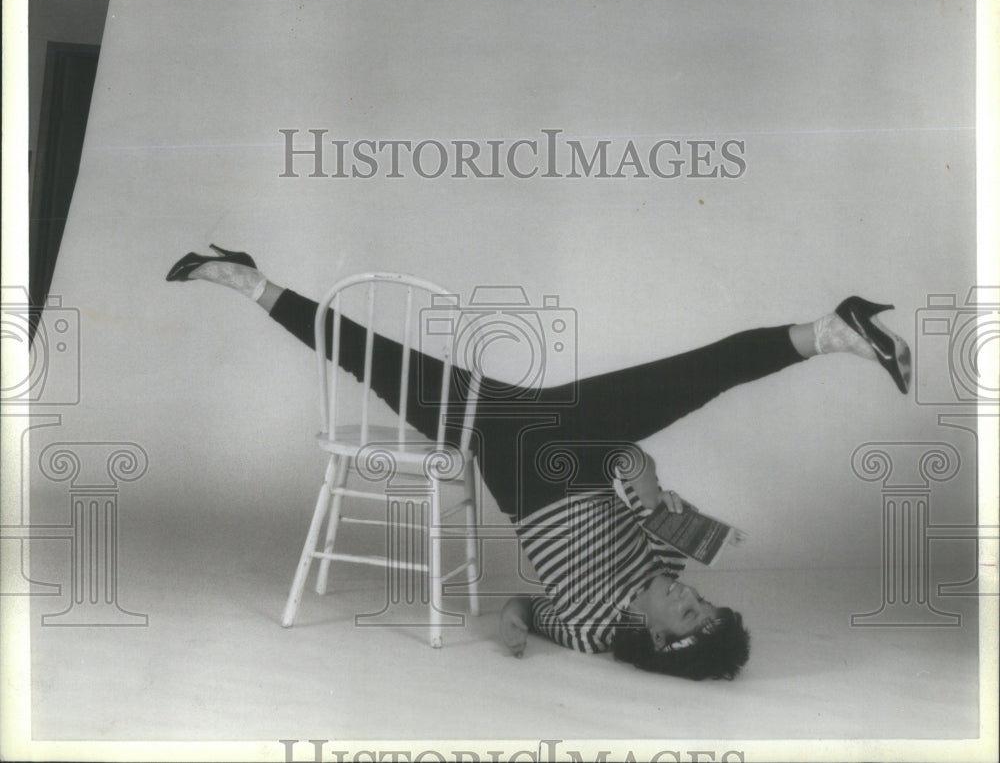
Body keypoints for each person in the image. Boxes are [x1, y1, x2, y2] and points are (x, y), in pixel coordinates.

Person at [167, 245, 912, 680]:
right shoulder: (670, 565)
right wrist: (645, 485)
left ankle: (250, 281)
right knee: (690, 377)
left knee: (384, 366)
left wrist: (516, 628)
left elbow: (525, 603)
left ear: (656, 639)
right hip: (561, 444)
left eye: (689, 615)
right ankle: (827, 331)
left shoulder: (590, 630)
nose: (694, 601)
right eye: (708, 607)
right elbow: (650, 495)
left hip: (521, 465)